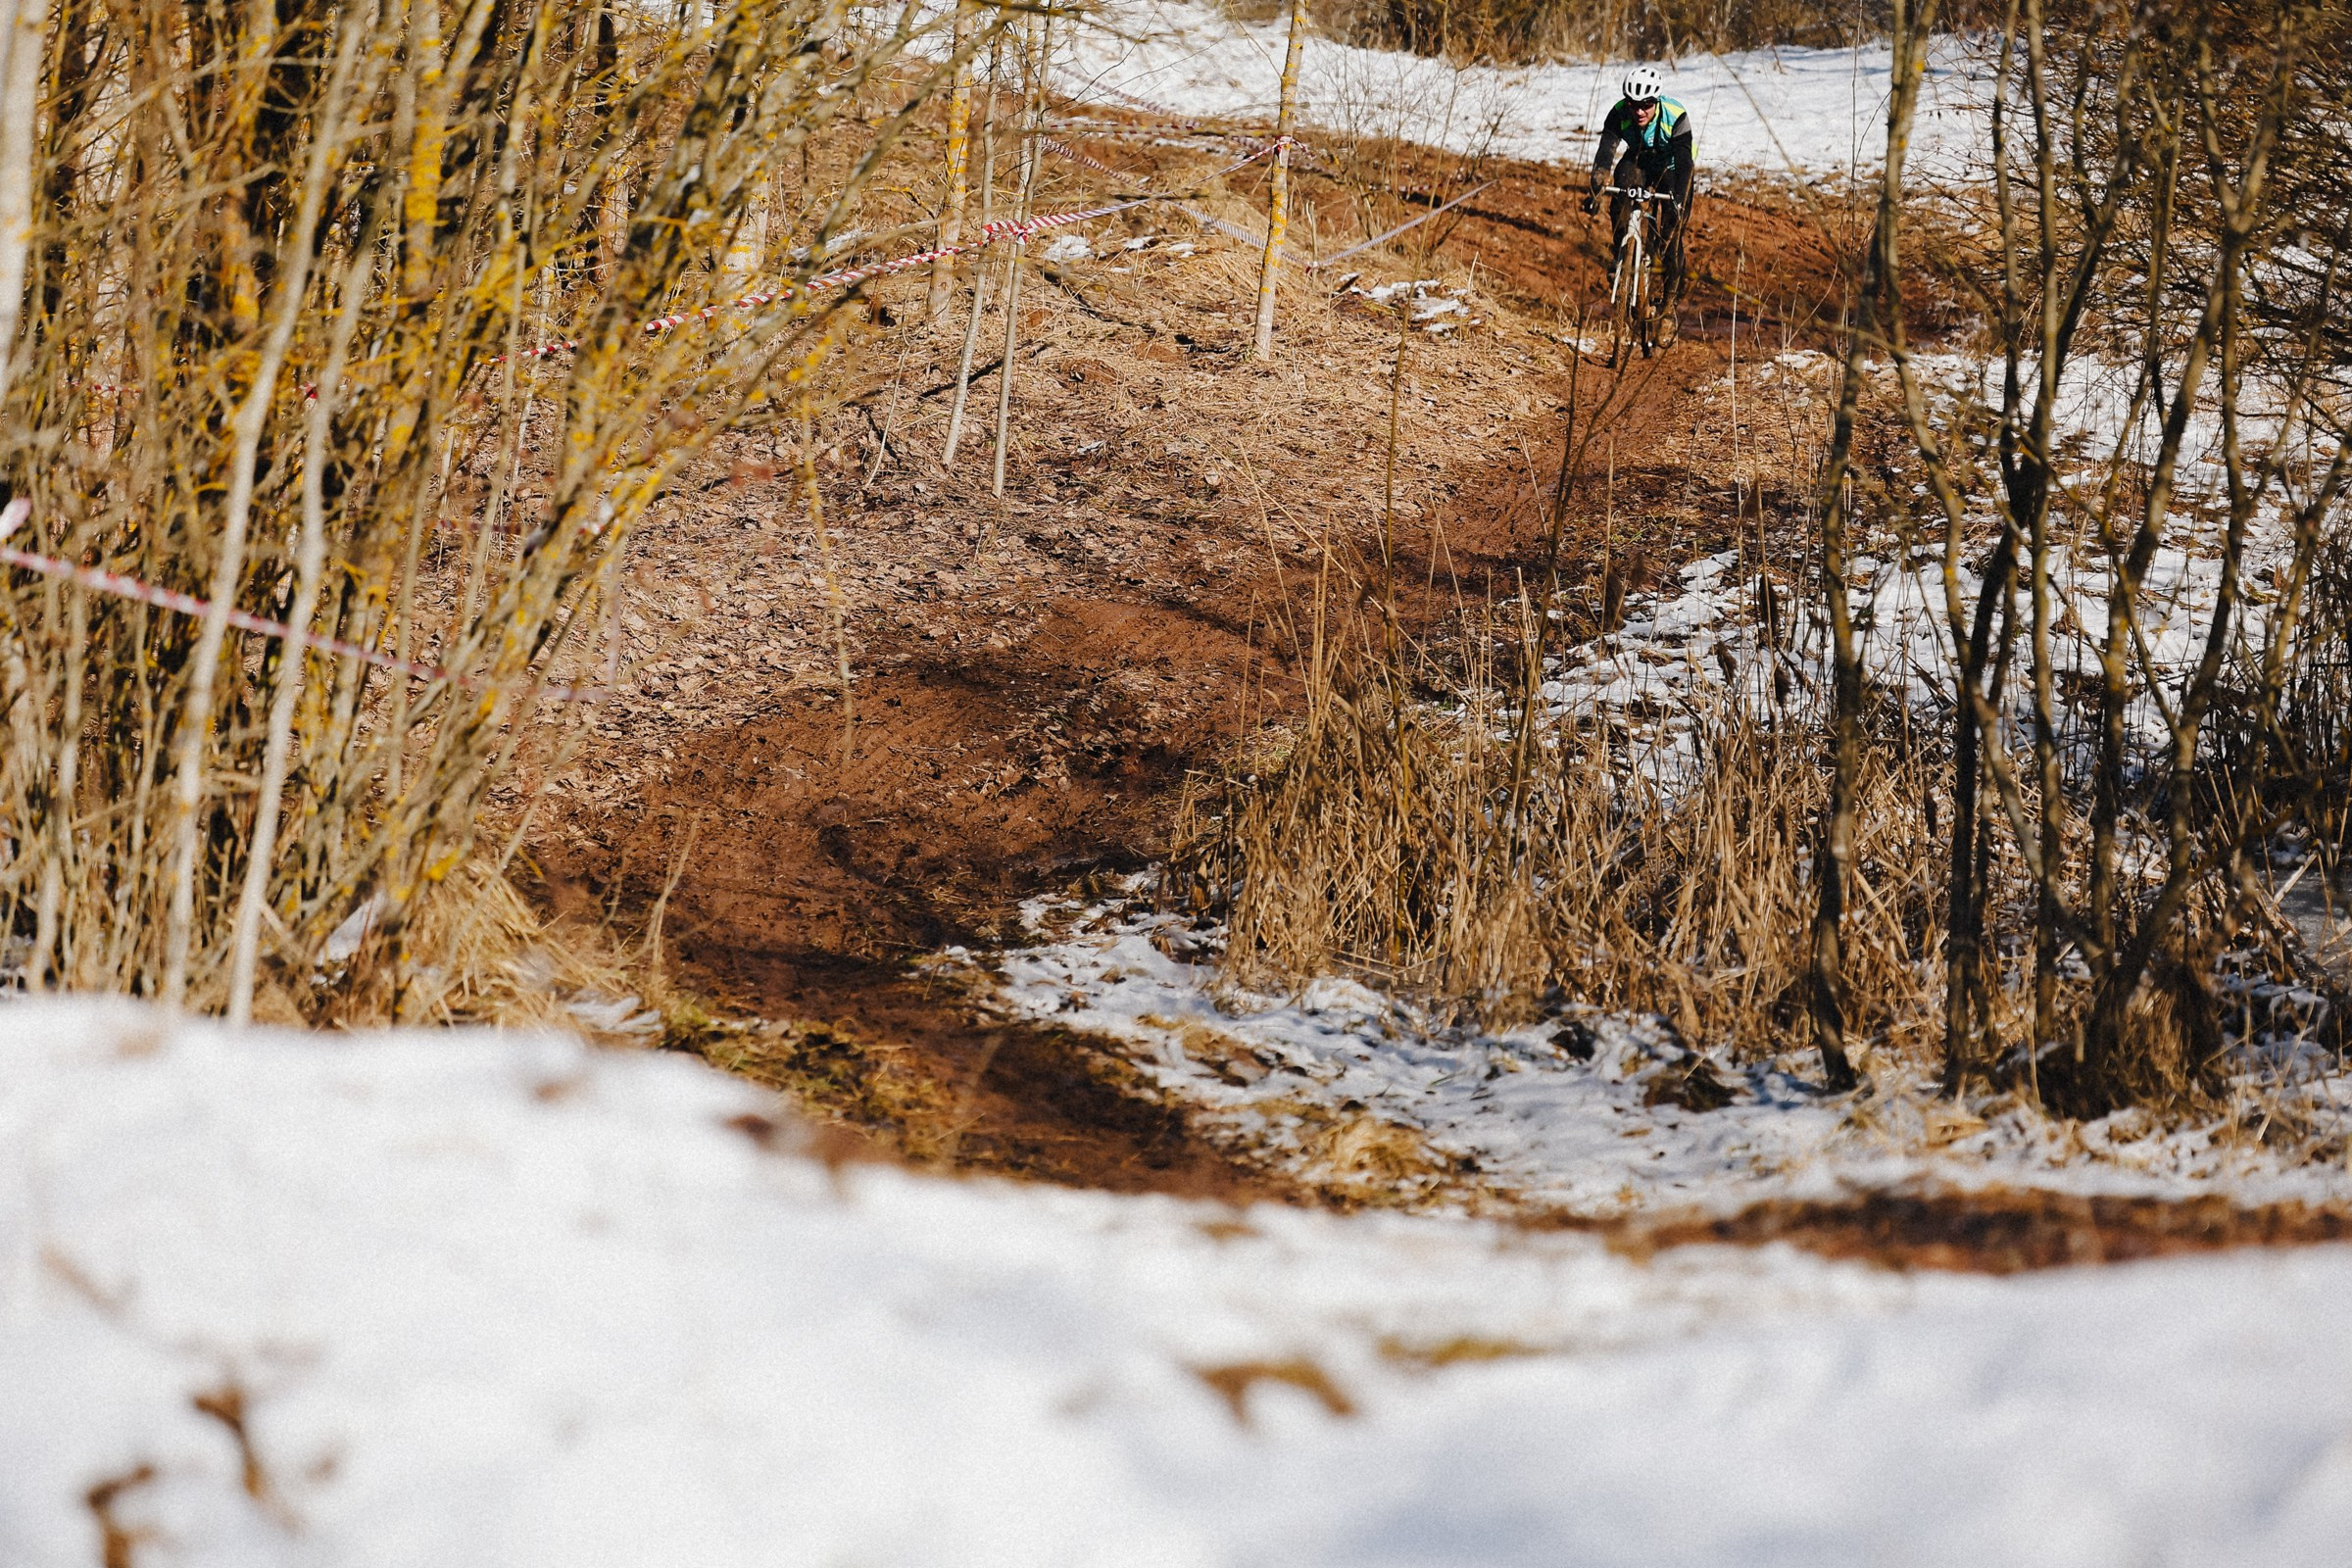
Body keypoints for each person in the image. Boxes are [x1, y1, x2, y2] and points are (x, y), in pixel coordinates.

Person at [1581, 65, 1694, 334]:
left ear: (1656, 101)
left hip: (1673, 166)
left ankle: (1668, 309)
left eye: (1646, 105)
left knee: (1671, 237)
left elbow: (1685, 162)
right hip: (1639, 159)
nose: (1639, 111)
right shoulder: (1619, 113)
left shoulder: (1676, 115)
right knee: (1622, 185)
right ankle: (1621, 250)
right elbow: (1605, 155)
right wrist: (1596, 189)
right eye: (1634, 104)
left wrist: (1678, 200)